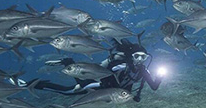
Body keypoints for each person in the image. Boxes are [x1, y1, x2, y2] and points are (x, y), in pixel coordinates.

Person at [32, 39, 164, 102]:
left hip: (112, 95)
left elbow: (153, 86)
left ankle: (69, 64)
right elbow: (105, 71)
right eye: (137, 56)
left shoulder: (143, 70)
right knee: (67, 91)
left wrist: (159, 77)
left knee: (72, 90)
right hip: (99, 86)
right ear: (131, 56)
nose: (140, 60)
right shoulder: (121, 64)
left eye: (143, 57)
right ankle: (30, 84)